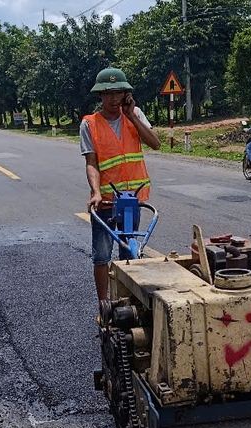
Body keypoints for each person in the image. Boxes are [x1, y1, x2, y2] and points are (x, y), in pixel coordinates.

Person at [80, 67, 161, 304]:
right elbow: (91, 163)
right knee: (102, 255)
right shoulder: (90, 124)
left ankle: (128, 303)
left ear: (126, 94)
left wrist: (132, 116)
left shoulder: (135, 114)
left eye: (119, 92)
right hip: (104, 201)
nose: (114, 98)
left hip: (131, 202)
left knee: (129, 252)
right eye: (108, 93)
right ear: (100, 96)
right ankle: (104, 305)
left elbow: (155, 143)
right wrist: (95, 192)